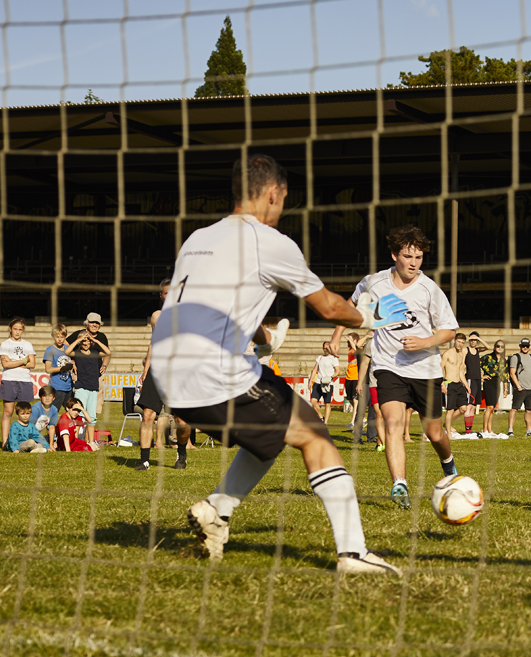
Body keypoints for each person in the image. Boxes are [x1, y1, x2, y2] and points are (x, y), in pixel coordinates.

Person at [152, 153, 406, 574]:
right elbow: (328, 307)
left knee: (271, 432)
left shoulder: (197, 239)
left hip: (168, 376)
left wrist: (265, 340)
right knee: (314, 433)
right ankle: (354, 552)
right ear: (273, 193)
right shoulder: (268, 241)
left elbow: (212, 309)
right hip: (210, 373)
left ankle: (218, 510)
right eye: (283, 200)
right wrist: (368, 317)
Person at [326, 224, 460, 512]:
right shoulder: (374, 283)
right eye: (408, 256)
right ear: (394, 255)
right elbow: (349, 306)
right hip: (388, 366)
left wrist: (425, 342)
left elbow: (449, 330)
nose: (414, 263)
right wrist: (336, 337)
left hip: (425, 370)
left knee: (435, 433)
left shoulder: (429, 289)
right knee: (393, 424)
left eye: (419, 257)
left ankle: (449, 466)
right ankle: (399, 483)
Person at [137, 279, 191, 470]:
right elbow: (154, 343)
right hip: (157, 370)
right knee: (148, 415)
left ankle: (182, 454)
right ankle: (144, 460)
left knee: (181, 421)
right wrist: (146, 370)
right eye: (166, 293)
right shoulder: (156, 316)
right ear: (161, 295)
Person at [0, 317, 38, 448]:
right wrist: (23, 361)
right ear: (10, 329)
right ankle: (5, 442)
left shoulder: (28, 345)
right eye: (15, 329)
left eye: (20, 329)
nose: (17, 332)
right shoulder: (5, 344)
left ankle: (22, 440)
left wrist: (13, 362)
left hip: (24, 380)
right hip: (9, 380)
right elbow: (5, 364)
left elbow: (33, 364)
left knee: (24, 412)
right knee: (8, 412)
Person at [67, 326, 108, 448]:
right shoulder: (78, 353)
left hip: (93, 388)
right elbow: (67, 352)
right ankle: (75, 440)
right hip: (81, 388)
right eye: (83, 342)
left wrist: (95, 341)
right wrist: (79, 340)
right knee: (79, 414)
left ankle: (90, 442)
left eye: (88, 341)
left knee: (92, 416)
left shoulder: (95, 353)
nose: (86, 343)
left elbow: (108, 352)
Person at [440, 332, 472, 434]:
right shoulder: (447, 353)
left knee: (463, 408)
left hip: (459, 384)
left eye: (462, 343)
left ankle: (447, 424)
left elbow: (460, 371)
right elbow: (439, 369)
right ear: (454, 341)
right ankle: (448, 433)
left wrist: (466, 385)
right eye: (458, 342)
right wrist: (442, 384)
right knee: (450, 410)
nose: (460, 344)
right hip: (449, 383)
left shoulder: (461, 354)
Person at [82, 312, 111, 419]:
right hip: (81, 376)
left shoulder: (102, 337)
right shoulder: (79, 334)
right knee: (81, 406)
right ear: (87, 323)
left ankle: (91, 431)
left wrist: (104, 365)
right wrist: (73, 361)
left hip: (96, 376)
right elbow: (66, 346)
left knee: (95, 407)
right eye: (92, 322)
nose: (95, 325)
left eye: (97, 323)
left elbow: (108, 352)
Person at [508, 338, 531, 437]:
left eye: (527, 346)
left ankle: (529, 430)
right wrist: (518, 386)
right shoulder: (516, 357)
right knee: (514, 409)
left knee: (529, 409)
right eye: (523, 346)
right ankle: (510, 430)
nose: (525, 348)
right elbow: (512, 373)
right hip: (521, 388)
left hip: (530, 388)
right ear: (520, 346)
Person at [43, 324, 75, 409]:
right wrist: (63, 368)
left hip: (69, 386)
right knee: (53, 412)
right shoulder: (50, 350)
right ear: (52, 336)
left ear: (65, 337)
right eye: (57, 337)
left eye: (62, 337)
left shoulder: (67, 348)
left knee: (71, 412)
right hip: (56, 386)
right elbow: (48, 369)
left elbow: (72, 359)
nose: (60, 339)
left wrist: (73, 364)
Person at [481, 339, 508, 435]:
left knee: (493, 408)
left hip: (497, 383)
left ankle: (489, 430)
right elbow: (475, 365)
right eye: (498, 346)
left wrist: (506, 389)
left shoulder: (504, 360)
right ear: (494, 347)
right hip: (489, 382)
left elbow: (505, 375)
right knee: (489, 407)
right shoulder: (487, 357)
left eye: (502, 346)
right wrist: (482, 376)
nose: (500, 348)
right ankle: (484, 430)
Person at [310, 341, 340, 422]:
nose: (325, 349)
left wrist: (330, 377)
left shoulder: (334, 358)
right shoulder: (320, 358)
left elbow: (338, 371)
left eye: (327, 348)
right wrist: (310, 381)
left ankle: (325, 422)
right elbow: (314, 369)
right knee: (313, 401)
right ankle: (320, 417)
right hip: (318, 382)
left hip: (328, 384)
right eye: (324, 348)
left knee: (327, 403)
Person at [462, 333, 484, 433]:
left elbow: (488, 347)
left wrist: (478, 338)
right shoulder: (466, 350)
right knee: (469, 405)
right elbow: (462, 364)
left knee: (474, 406)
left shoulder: (478, 350)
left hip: (478, 379)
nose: (473, 341)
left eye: (475, 340)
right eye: (471, 340)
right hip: (470, 378)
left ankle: (470, 428)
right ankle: (467, 430)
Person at [31, 385, 59, 449]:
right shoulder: (36, 408)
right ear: (40, 397)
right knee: (32, 443)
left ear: (54, 398)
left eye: (50, 396)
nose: (47, 398)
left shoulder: (54, 410)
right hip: (28, 434)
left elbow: (51, 427)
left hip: (38, 435)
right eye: (44, 396)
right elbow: (29, 427)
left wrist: (51, 445)